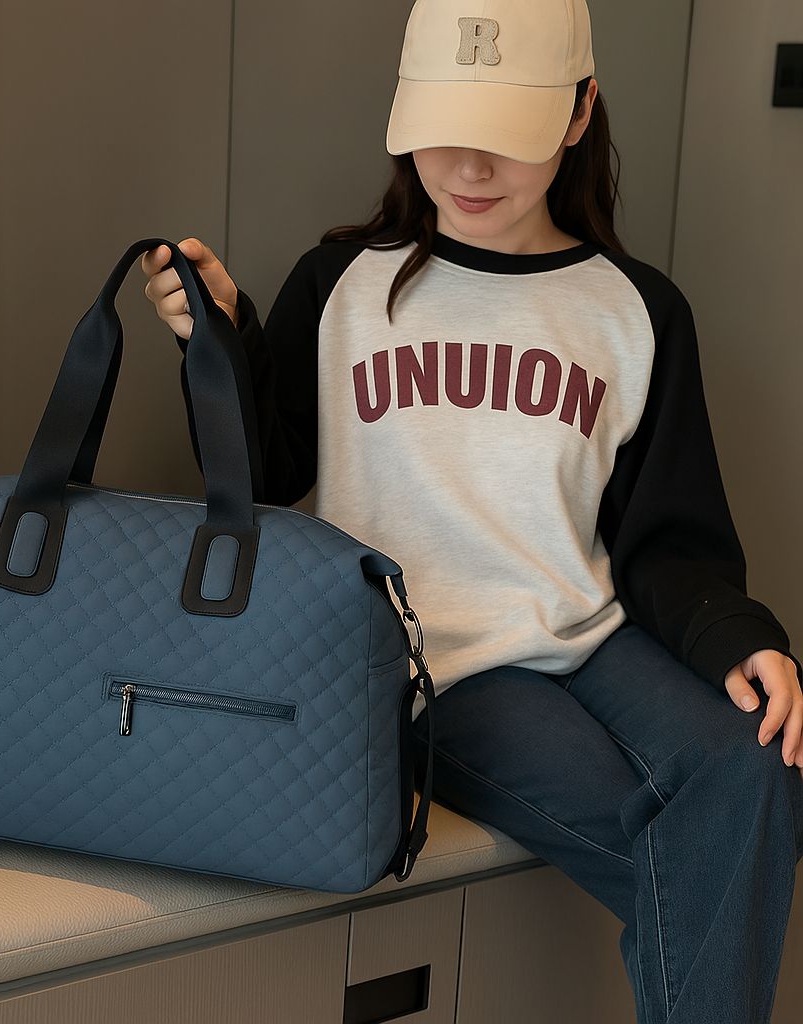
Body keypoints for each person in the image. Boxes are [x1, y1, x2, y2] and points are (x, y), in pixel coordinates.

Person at [141, 1, 803, 1020]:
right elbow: (264, 475)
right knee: (671, 832)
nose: (469, 168)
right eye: (444, 130)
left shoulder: (635, 308)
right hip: (426, 657)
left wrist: (739, 640)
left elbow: (669, 542)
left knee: (757, 763)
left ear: (580, 114)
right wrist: (216, 343)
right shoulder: (342, 285)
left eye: (508, 135)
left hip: (590, 634)